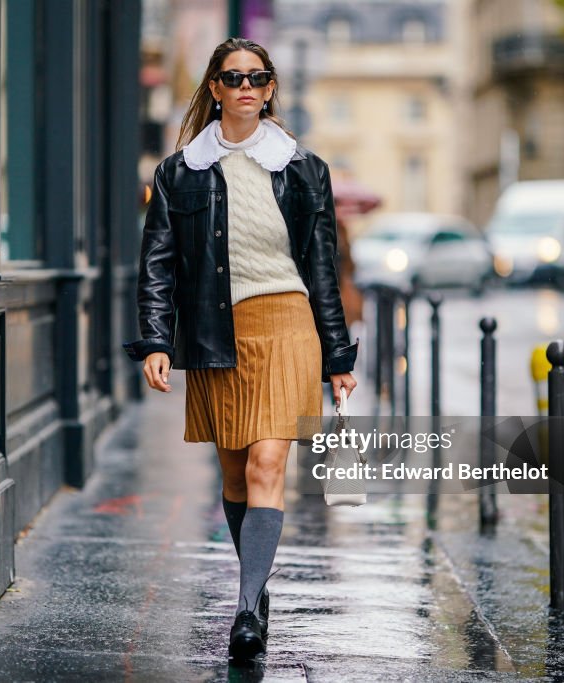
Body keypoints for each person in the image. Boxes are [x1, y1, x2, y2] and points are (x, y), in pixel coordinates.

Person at [123, 37, 358, 660]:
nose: (246, 87)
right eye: (233, 78)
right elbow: (158, 264)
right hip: (212, 330)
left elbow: (322, 266)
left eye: (257, 77)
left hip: (288, 323)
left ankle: (247, 608)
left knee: (265, 466)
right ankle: (257, 582)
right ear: (215, 89)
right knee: (232, 472)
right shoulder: (180, 173)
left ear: (271, 87)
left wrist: (339, 357)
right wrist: (154, 339)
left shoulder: (305, 169)